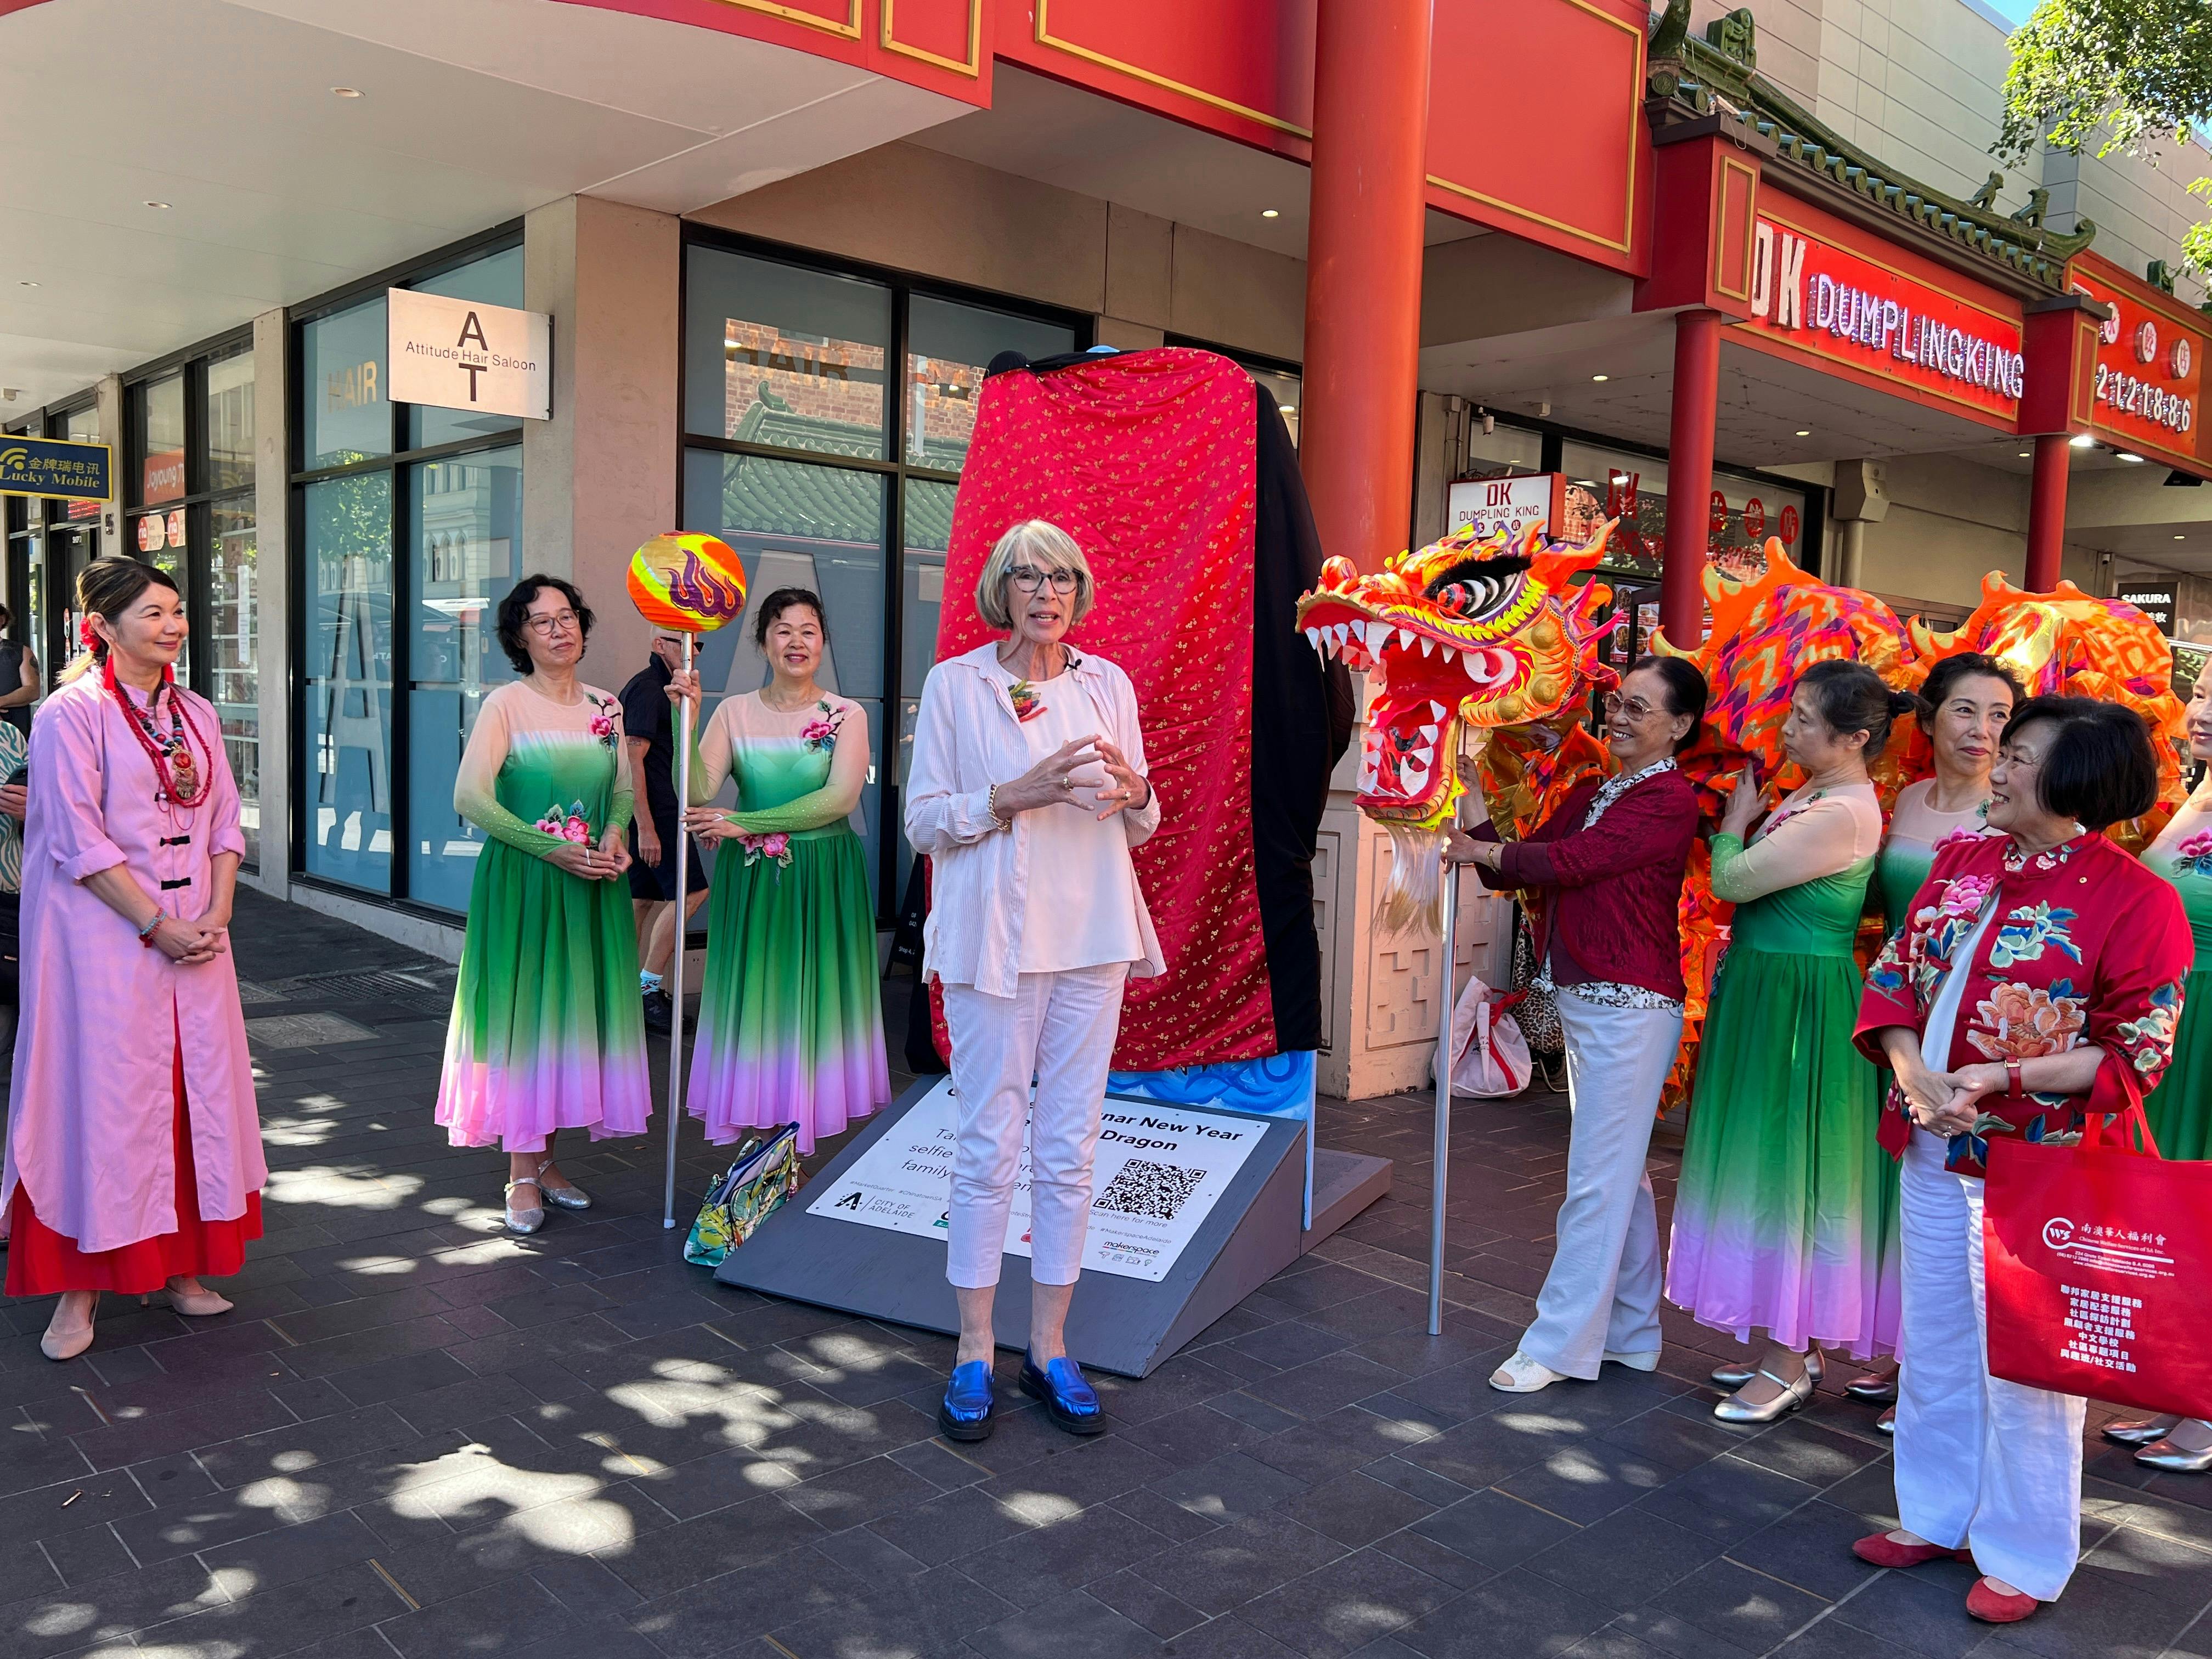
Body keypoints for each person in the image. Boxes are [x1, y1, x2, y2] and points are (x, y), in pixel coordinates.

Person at [1854, 697, 2189, 1622]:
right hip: (1932, 1140)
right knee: (1935, 1339)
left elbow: (2136, 1053)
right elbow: (1894, 975)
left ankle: (2025, 1552)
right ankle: (1934, 1511)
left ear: (2073, 777)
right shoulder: (1959, 860)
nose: (1991, 768)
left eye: (2017, 755)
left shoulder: (2136, 897)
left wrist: (2003, 1074)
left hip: (2041, 1167)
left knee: (2031, 1361)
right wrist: (1912, 1066)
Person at [904, 519, 1161, 1443]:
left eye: (1063, 575)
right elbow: (923, 819)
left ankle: (1050, 1344)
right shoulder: (955, 683)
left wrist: (1133, 791)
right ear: (1000, 589)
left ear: (1079, 590)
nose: (1047, 590)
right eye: (1028, 576)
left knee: (1071, 1143)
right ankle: (974, 1346)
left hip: (1092, 933)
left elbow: (1143, 813)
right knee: (987, 1139)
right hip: (991, 942)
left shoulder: (1109, 683)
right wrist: (1019, 790)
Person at [3, 559, 262, 1361]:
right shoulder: (68, 715)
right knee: (105, 1101)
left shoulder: (197, 713)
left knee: (195, 1098)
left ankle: (183, 1269)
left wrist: (216, 912)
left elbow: (225, 817)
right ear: (103, 627)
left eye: (178, 611)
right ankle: (76, 1296)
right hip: (104, 944)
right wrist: (156, 924)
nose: (173, 625)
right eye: (152, 613)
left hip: (197, 938)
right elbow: (78, 840)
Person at [1446, 655, 1706, 1392]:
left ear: (1679, 726)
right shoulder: (1596, 790)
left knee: (1596, 1181)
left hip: (1633, 1005)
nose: (1619, 718)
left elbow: (1577, 861)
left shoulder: (1670, 800)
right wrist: (1465, 791)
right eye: (1618, 704)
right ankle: (1632, 1334)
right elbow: (1514, 869)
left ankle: (1559, 1344)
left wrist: (1485, 849)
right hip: (1587, 1000)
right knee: (1621, 1180)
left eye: (1640, 709)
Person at [1666, 659, 1908, 1421]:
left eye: (1805, 719)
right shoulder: (1818, 790)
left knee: (1791, 1170)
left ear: (1855, 738)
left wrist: (1734, 829)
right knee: (1770, 1162)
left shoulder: (1842, 809)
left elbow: (1732, 884)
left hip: (1800, 1002)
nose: (1788, 728)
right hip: (1772, 990)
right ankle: (1788, 1342)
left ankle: (1792, 1355)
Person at [435, 575, 650, 1233]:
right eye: (541, 621)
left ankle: (548, 1163)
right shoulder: (506, 705)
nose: (560, 629)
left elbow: (620, 788)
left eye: (568, 617)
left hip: (590, 887)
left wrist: (616, 836)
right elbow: (471, 798)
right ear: (520, 637)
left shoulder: (606, 707)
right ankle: (521, 1174)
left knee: (570, 1020)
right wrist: (548, 848)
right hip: (527, 883)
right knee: (529, 1019)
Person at [1847, 653, 2022, 1426]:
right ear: (1928, 718)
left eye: (2000, 717)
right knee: (1891, 1190)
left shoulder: (2010, 815)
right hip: (1887, 1012)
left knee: (1951, 1193)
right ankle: (1898, 1345)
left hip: (1966, 1026)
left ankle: (1934, 1367)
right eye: (1966, 711)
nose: (1983, 732)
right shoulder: (1905, 799)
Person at [663, 587, 890, 1155]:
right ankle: (765, 1146)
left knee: (811, 1005)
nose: (796, 641)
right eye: (783, 629)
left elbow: (838, 800)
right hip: (757, 882)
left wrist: (745, 822)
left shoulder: (846, 714)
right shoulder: (735, 711)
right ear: (763, 641)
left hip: (822, 876)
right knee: (761, 1004)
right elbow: (695, 792)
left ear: (823, 642)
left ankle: (789, 1147)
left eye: (809, 630)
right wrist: (682, 722)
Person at [2107, 675, 2212, 1472]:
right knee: (2180, 1216)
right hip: (2183, 1024)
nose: (2200, 713)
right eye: (2201, 692)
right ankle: (2181, 1394)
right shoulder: (2196, 795)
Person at [620, 630, 709, 1034]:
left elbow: (680, 759)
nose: (691, 653)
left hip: (660, 812)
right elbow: (631, 761)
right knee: (692, 893)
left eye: (698, 645)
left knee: (640, 901)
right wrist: (646, 828)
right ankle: (646, 988)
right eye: (682, 643)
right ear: (659, 644)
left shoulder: (672, 689)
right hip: (655, 814)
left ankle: (620, 991)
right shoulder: (648, 688)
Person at [0, 602, 42, 736]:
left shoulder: (21, 652)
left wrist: (2, 701)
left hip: (14, 736)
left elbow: (33, 691)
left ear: (2, 620)